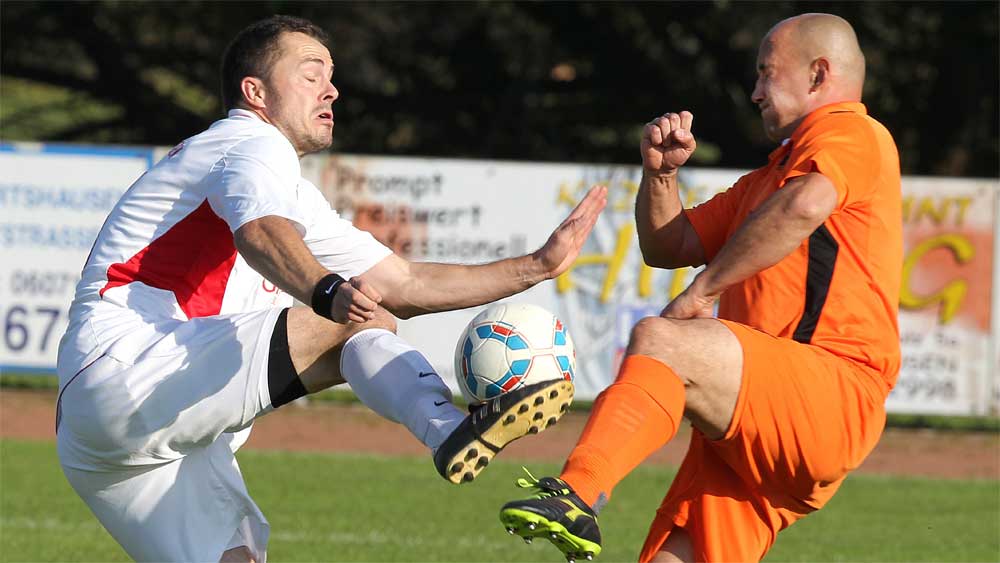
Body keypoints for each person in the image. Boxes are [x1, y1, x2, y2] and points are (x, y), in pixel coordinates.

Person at [55, 15, 606, 563]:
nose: (332, 89)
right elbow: (260, 235)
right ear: (256, 92)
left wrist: (536, 267)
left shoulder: (283, 186)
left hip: (116, 434)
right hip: (132, 370)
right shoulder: (248, 143)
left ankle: (451, 432)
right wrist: (325, 291)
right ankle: (447, 431)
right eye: (311, 72)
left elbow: (404, 283)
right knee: (363, 319)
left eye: (332, 74)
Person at [499, 12, 901, 563]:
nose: (755, 91)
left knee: (663, 340)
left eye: (766, 73)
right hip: (753, 428)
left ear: (818, 75)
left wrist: (702, 291)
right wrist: (661, 176)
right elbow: (669, 245)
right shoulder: (768, 179)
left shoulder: (853, 133)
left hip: (830, 391)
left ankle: (577, 492)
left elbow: (805, 206)